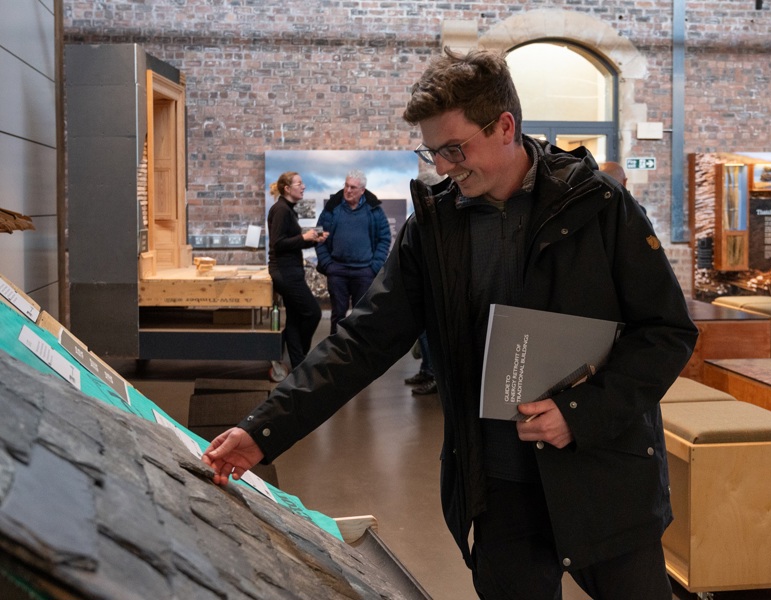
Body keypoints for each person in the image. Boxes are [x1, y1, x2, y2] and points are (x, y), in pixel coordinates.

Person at [203, 49, 698, 599]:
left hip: (606, 475)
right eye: (432, 151)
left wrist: (581, 414)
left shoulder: (601, 208)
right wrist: (263, 430)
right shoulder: (434, 229)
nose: (442, 166)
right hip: (499, 489)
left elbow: (667, 332)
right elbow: (362, 342)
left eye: (455, 148)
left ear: (505, 126)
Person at [266, 171, 328, 379]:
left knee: (294, 318)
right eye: (299, 183)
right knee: (312, 313)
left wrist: (312, 239)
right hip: (285, 273)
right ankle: (301, 358)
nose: (303, 187)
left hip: (290, 270)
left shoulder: (287, 210)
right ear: (287, 189)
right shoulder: (281, 210)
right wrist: (304, 237)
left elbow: (290, 241)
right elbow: (278, 243)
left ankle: (299, 365)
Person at [315, 169, 392, 335]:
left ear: (362, 190)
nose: (348, 191)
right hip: (337, 271)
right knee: (338, 315)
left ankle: (357, 354)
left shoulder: (374, 210)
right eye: (346, 186)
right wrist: (328, 265)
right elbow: (318, 236)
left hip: (364, 272)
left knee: (361, 316)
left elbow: (384, 238)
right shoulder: (332, 208)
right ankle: (334, 353)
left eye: (353, 188)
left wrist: (374, 266)